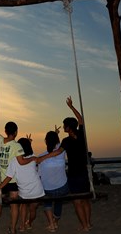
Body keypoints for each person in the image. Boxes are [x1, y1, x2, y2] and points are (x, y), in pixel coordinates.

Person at [37, 96, 92, 232]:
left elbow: (56, 152)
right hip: (84, 172)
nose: (64, 127)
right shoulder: (81, 134)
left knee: (77, 201)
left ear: (68, 127)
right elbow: (81, 119)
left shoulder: (66, 141)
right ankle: (88, 224)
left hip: (73, 174)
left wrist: (43, 158)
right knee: (85, 199)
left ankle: (84, 226)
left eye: (64, 125)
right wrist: (71, 107)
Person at [0, 138, 44, 233]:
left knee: (23, 205)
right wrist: (29, 143)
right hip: (38, 191)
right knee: (33, 209)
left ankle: (22, 227)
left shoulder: (14, 161)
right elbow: (30, 152)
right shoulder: (33, 157)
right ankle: (28, 223)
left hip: (25, 192)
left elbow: (8, 177)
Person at [38, 130, 69, 232]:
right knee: (58, 200)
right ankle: (55, 221)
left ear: (46, 142)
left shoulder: (41, 157)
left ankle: (51, 224)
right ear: (57, 141)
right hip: (62, 187)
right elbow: (59, 145)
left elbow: (40, 176)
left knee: (47, 202)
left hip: (48, 189)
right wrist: (56, 134)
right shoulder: (62, 152)